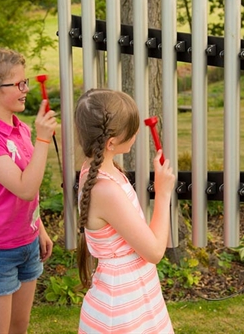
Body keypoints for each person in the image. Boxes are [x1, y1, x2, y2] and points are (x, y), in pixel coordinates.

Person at [0, 38, 57, 334]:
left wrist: (38, 228)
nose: (25, 89)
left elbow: (31, 194)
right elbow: (24, 188)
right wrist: (43, 139)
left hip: (26, 244)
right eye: (17, 84)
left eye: (25, 82)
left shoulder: (20, 128)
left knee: (20, 327)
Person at [74, 88, 176, 334]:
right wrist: (162, 195)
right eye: (131, 130)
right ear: (111, 143)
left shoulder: (101, 170)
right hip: (121, 306)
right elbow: (153, 251)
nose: (137, 132)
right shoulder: (105, 189)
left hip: (133, 290)